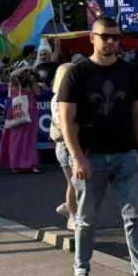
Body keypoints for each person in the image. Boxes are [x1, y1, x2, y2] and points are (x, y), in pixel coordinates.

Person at [58, 17, 138, 276]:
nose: (111, 42)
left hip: (125, 154)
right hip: (90, 157)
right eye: (105, 36)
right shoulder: (76, 73)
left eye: (115, 37)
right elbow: (66, 119)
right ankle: (80, 272)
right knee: (85, 220)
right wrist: (76, 157)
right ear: (92, 38)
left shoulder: (129, 72)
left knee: (135, 218)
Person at [50, 59, 80, 231]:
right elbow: (62, 122)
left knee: (80, 182)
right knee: (73, 183)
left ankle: (69, 206)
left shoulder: (74, 94)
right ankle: (72, 216)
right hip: (65, 144)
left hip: (76, 143)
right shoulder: (58, 98)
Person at [0, 66, 41, 173]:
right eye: (24, 72)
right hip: (17, 113)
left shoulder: (30, 82)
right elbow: (13, 75)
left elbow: (38, 93)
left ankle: (30, 164)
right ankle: (14, 165)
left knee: (30, 139)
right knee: (16, 138)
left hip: (31, 113)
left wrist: (33, 80)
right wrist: (26, 67)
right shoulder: (14, 83)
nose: (26, 73)